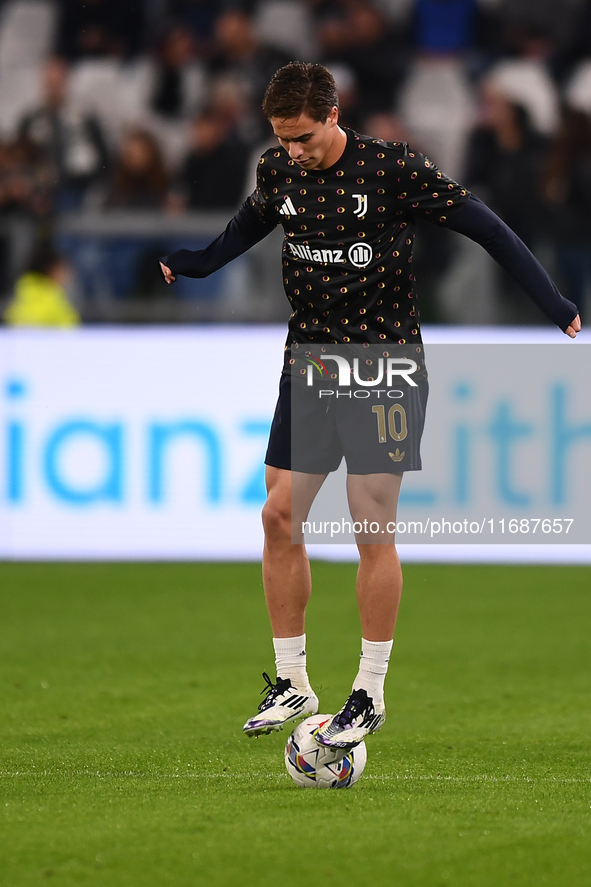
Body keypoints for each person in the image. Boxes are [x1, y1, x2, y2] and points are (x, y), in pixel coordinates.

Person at [159, 62, 581, 750]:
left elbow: (488, 229)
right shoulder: (277, 172)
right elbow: (245, 229)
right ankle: (293, 678)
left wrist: (553, 304)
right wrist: (198, 262)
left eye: (300, 137)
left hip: (384, 361)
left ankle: (369, 689)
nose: (291, 150)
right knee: (276, 515)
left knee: (369, 523)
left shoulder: (392, 168)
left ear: (332, 115)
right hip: (311, 362)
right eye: (281, 138)